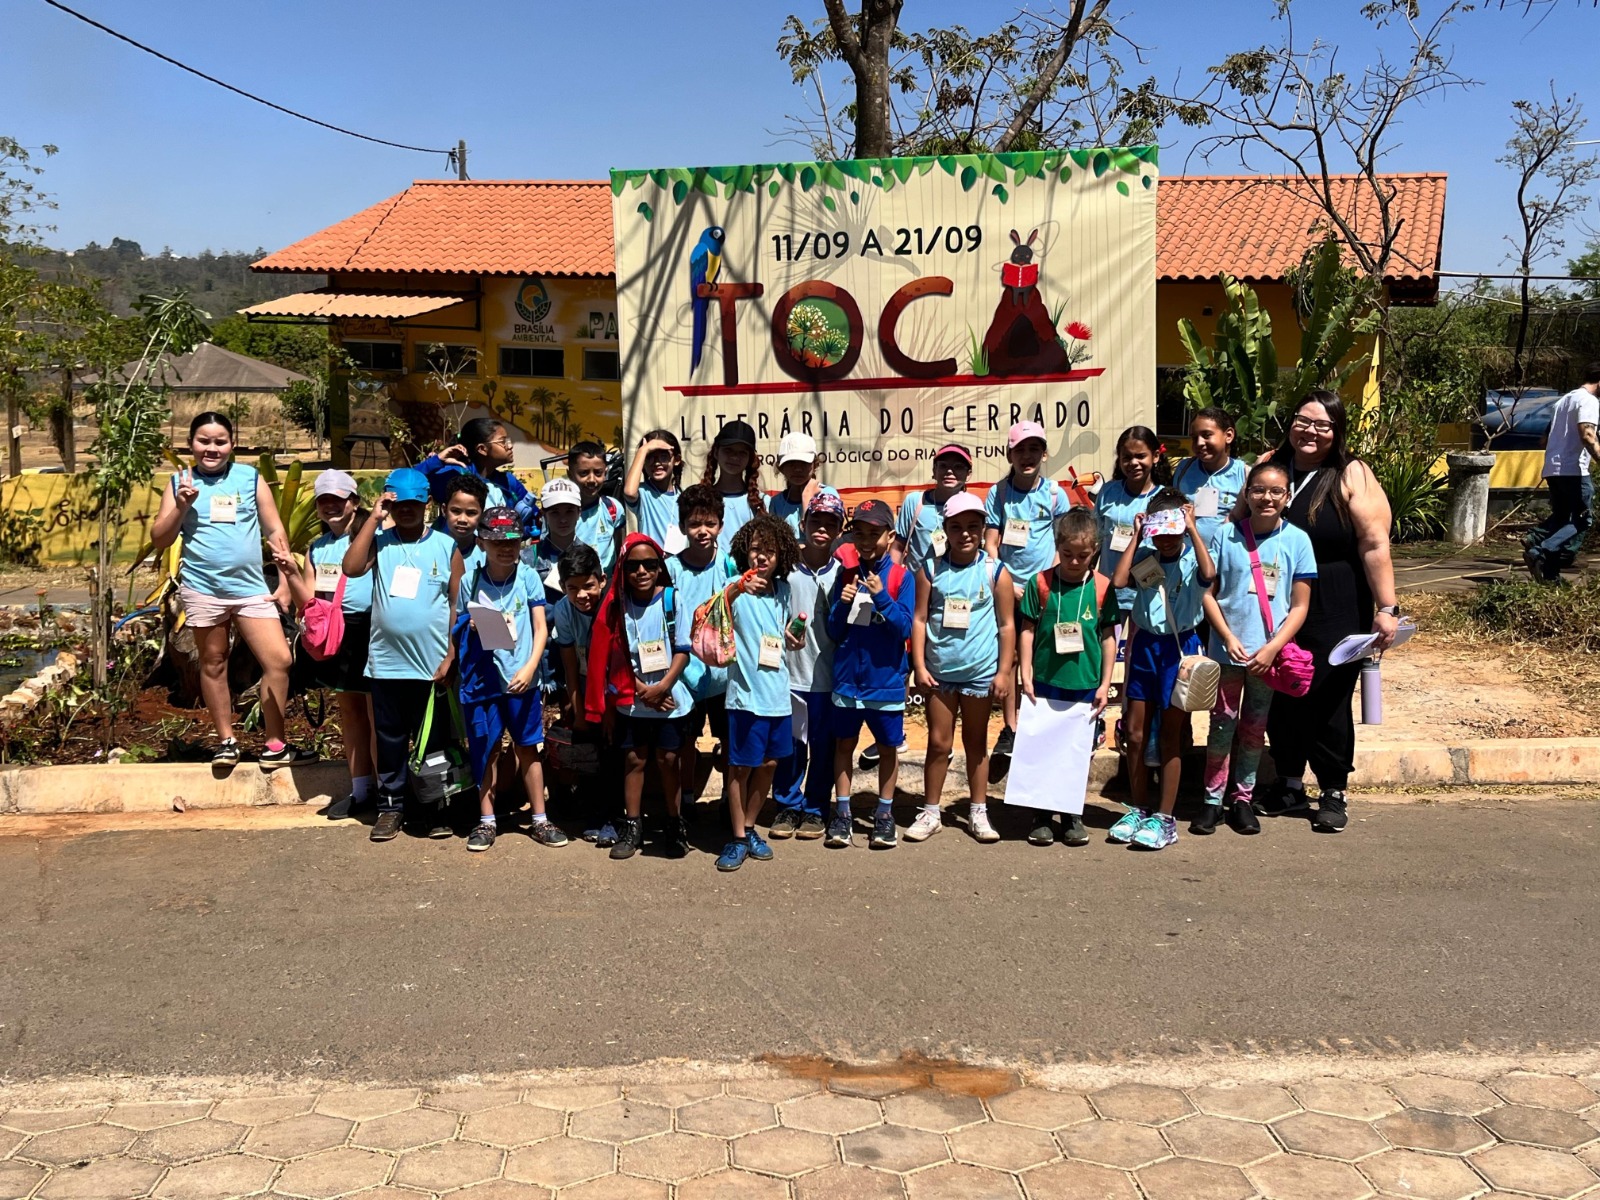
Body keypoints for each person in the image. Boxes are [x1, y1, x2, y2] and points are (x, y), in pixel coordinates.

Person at [1258, 391, 1399, 833]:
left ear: (1337, 431)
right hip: (1277, 596)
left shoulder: (1351, 472)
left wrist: (1387, 607)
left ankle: (1333, 789)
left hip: (1337, 596)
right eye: (1303, 421)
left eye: (1323, 425)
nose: (1310, 432)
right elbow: (1239, 523)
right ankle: (1288, 782)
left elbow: (1374, 544)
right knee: (1282, 687)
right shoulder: (1272, 465)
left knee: (1329, 694)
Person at [150, 411, 311, 768]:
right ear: (191, 444)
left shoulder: (250, 478)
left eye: (220, 442)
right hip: (203, 589)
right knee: (213, 662)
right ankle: (226, 742)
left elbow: (274, 530)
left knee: (280, 660)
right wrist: (181, 507)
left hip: (251, 589)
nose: (212, 448)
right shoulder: (179, 483)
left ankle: (275, 744)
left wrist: (285, 578)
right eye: (204, 441)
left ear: (231, 445)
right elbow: (160, 539)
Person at [1196, 461, 1317, 836]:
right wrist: (1227, 637)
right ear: (1246, 495)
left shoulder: (1297, 541)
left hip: (1268, 658)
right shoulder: (1225, 535)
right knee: (1221, 726)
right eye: (1259, 490)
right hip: (1227, 653)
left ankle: (1242, 800)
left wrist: (1272, 648)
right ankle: (1212, 801)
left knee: (1253, 729)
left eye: (1276, 491)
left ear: (1288, 497)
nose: (1267, 498)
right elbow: (1208, 594)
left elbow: (1300, 606)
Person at [342, 468, 462, 842]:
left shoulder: (446, 547)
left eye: (414, 504)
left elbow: (456, 605)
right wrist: (374, 519)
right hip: (387, 665)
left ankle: (436, 808)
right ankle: (390, 808)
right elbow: (351, 568)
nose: (407, 510)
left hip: (431, 668)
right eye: (399, 505)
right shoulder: (381, 543)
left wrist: (451, 654)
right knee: (390, 741)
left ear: (427, 504)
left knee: (435, 743)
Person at [1108, 488, 1216, 851]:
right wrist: (1138, 535)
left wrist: (1193, 528)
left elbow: (1209, 574)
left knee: (1171, 734)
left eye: (1173, 532)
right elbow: (1119, 581)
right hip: (1145, 648)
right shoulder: (1145, 557)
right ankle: (1139, 808)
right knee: (1135, 733)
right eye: (1160, 533)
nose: (1166, 540)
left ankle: (1166, 818)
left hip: (1179, 649)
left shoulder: (1192, 557)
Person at [454, 507, 565, 853]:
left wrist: (530, 668)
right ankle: (486, 821)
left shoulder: (528, 577)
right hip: (484, 683)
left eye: (513, 542)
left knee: (527, 747)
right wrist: (469, 625)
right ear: (481, 543)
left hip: (521, 680)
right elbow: (457, 625)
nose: (505, 548)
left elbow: (540, 628)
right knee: (486, 750)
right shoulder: (470, 581)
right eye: (497, 542)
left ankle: (540, 818)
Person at [909, 492, 1014, 844]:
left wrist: (1003, 672)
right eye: (956, 527)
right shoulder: (930, 570)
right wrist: (919, 665)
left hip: (979, 673)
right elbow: (919, 619)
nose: (965, 534)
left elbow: (1006, 626)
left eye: (972, 526)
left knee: (976, 742)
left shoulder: (995, 571)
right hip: (939, 674)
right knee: (938, 743)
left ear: (984, 528)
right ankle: (931, 811)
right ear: (945, 529)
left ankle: (978, 810)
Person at [585, 533, 693, 860]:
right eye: (633, 566)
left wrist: (661, 687)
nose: (642, 571)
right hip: (632, 699)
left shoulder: (672, 599)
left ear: (660, 567)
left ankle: (674, 824)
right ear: (623, 569)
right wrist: (640, 690)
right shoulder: (619, 605)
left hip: (669, 699)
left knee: (669, 760)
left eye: (649, 564)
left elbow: (683, 650)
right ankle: (632, 826)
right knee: (634, 760)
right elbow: (614, 653)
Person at [1014, 510, 1116, 847]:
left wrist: (1104, 684)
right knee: (1044, 747)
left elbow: (1108, 637)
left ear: (1095, 551)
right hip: (1045, 681)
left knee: (1076, 751)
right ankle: (1042, 815)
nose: (1074, 561)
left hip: (1085, 683)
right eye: (1067, 553)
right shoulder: (1040, 583)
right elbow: (1027, 630)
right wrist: (1026, 672)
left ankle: (1072, 813)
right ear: (1057, 546)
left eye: (1082, 555)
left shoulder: (1102, 587)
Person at [713, 514, 801, 871]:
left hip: (777, 696)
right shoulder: (733, 587)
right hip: (745, 697)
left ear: (782, 556)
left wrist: (794, 638)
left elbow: (784, 636)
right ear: (743, 552)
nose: (761, 556)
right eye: (754, 549)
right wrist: (737, 588)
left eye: (770, 550)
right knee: (739, 768)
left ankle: (749, 828)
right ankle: (736, 837)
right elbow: (712, 613)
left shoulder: (784, 591)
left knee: (768, 765)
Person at [983, 421, 1071, 771]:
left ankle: (1040, 724)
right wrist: (1005, 582)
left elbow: (1063, 543)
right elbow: (991, 543)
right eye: (1020, 449)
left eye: (1034, 449)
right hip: (1008, 589)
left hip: (1046, 589)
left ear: (1044, 454)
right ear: (1010, 455)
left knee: (1043, 658)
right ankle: (1011, 727)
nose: (1027, 456)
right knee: (1011, 660)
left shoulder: (1055, 494)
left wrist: (1047, 583)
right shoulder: (998, 493)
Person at [826, 499, 914, 850]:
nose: (865, 541)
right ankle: (843, 813)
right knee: (843, 745)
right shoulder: (844, 575)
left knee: (888, 749)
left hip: (885, 683)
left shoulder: (901, 577)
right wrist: (843, 604)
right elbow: (834, 631)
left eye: (874, 534)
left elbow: (904, 628)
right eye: (859, 533)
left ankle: (884, 814)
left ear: (890, 536)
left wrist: (882, 599)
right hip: (847, 682)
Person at [300, 469, 375, 816]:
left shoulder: (374, 537)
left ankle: (388, 791)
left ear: (354, 502)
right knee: (349, 711)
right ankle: (361, 789)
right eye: (323, 500)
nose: (330, 506)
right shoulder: (316, 548)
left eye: (338, 499)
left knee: (376, 713)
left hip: (370, 629)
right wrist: (288, 571)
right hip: (336, 634)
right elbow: (307, 596)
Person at [769, 491, 843, 840]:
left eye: (831, 523)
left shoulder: (843, 574)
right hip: (788, 677)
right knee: (790, 747)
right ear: (803, 523)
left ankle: (815, 808)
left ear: (840, 530)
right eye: (816, 521)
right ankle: (787, 804)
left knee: (823, 747)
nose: (822, 528)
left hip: (826, 679)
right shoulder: (784, 572)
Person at [668, 484, 740, 810]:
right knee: (685, 740)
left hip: (726, 676)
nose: (702, 531)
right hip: (685, 676)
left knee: (729, 739)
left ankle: (728, 799)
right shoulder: (670, 570)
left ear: (721, 526)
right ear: (683, 526)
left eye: (710, 523)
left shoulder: (731, 566)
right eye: (695, 524)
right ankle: (686, 799)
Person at [547, 543, 616, 843]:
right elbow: (570, 665)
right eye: (572, 588)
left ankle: (616, 816)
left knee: (615, 752)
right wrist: (577, 708)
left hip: (616, 686)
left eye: (588, 586)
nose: (581, 595)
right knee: (590, 750)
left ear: (602, 580)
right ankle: (596, 814)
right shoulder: (563, 610)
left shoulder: (614, 605)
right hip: (587, 683)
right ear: (562, 587)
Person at [1525, 362, 1600, 582]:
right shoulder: (1589, 401)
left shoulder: (1564, 400)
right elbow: (1588, 435)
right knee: (1583, 519)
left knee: (1561, 519)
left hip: (1553, 469)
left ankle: (1550, 576)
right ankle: (1540, 550)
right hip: (1573, 470)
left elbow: (1545, 438)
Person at [418, 417, 536, 529]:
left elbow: (534, 518)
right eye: (503, 441)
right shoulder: (455, 476)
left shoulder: (508, 481)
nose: (510, 446)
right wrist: (437, 460)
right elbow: (410, 483)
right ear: (482, 449)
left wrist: (516, 531)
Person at [1173, 408, 1247, 551]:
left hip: (1226, 554)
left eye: (1207, 435)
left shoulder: (1243, 474)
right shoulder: (1184, 469)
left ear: (1229, 435)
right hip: (1187, 555)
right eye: (1194, 438)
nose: (1199, 443)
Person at [893, 443, 973, 572]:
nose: (949, 471)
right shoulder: (915, 502)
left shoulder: (973, 507)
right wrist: (893, 580)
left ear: (968, 474)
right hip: (916, 583)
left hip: (956, 582)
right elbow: (897, 548)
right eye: (943, 466)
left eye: (958, 467)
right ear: (934, 471)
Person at [701, 420, 765, 553]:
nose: (735, 457)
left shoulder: (762, 502)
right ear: (716, 452)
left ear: (750, 459)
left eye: (742, 453)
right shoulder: (700, 498)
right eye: (728, 450)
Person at [623, 429, 685, 551]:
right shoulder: (643, 493)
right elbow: (629, 492)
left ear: (676, 460)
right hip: (651, 561)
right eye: (650, 456)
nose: (657, 463)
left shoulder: (684, 497)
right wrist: (643, 450)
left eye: (663, 456)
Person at [569, 440, 625, 573]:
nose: (592, 479)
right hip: (573, 580)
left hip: (607, 580)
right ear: (570, 474)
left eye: (598, 473)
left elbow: (620, 547)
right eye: (584, 473)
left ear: (605, 472)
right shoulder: (562, 512)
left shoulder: (613, 508)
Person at [523, 477, 582, 598]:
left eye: (569, 511)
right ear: (544, 514)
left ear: (579, 513)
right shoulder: (527, 557)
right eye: (555, 512)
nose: (563, 519)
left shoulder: (589, 556)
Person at [768, 432, 825, 537]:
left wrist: (807, 497)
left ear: (815, 464)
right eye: (791, 463)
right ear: (781, 467)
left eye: (804, 463)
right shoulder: (775, 503)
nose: (798, 469)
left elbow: (819, 538)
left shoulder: (827, 495)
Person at [441, 474, 489, 566]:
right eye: (456, 511)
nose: (462, 519)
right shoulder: (431, 549)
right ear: (444, 510)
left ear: (482, 515)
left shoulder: (488, 554)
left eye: (471, 513)